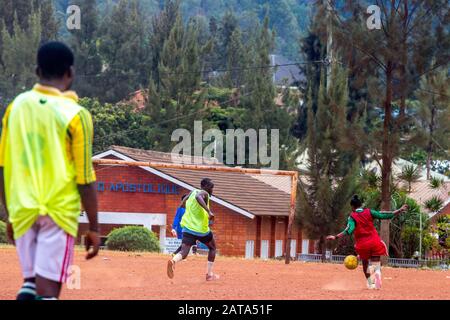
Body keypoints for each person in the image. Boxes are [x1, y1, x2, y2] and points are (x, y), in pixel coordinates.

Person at [0, 41, 100, 300]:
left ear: (37, 71)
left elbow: (3, 166)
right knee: (48, 293)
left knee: (31, 283)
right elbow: (85, 179)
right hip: (58, 211)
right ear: (70, 73)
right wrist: (94, 227)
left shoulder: (15, 108)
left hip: (23, 207)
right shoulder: (76, 114)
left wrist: (10, 214)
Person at [326, 195, 408, 290]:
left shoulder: (352, 217)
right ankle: (377, 273)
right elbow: (384, 215)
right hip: (374, 241)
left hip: (362, 245)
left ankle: (371, 283)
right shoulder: (369, 212)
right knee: (376, 263)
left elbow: (349, 230)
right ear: (361, 205)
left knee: (365, 265)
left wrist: (335, 237)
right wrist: (399, 210)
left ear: (352, 207)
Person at [167, 178, 218, 281]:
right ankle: (209, 274)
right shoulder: (203, 193)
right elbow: (198, 196)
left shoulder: (191, 192)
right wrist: (209, 212)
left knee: (184, 252)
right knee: (212, 247)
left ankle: (173, 261)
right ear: (206, 187)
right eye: (211, 188)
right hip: (201, 230)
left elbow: (183, 202)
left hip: (188, 229)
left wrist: (187, 207)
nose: (212, 190)